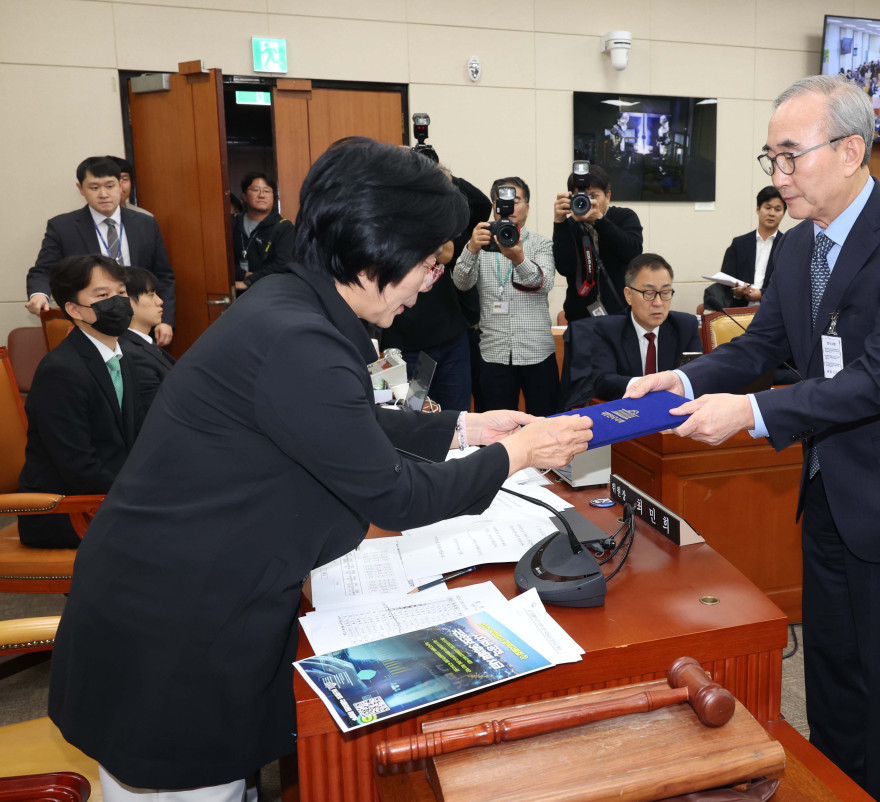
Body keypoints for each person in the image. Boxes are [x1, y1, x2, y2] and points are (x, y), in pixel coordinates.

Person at [47, 138, 593, 800]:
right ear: (375, 253)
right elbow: (394, 496)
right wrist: (515, 454)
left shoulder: (293, 304)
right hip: (174, 633)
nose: (427, 287)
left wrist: (466, 427)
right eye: (426, 265)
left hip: (191, 598)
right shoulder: (298, 336)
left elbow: (333, 421)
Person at [628, 74, 880, 802]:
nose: (778, 176)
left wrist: (753, 415)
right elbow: (758, 347)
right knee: (828, 670)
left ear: (850, 150)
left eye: (791, 157)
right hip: (827, 496)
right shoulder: (793, 250)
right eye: (771, 159)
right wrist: (688, 382)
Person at [18, 254, 143, 549]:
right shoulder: (60, 370)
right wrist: (141, 496)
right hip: (66, 510)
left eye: (121, 293)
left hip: (107, 498)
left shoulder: (121, 357)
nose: (118, 302)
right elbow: (77, 466)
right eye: (103, 295)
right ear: (73, 308)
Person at [26, 156, 176, 346]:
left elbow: (164, 275)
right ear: (81, 188)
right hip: (93, 322)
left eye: (110, 186)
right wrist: (39, 294)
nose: (103, 194)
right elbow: (43, 270)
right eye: (94, 188)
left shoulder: (145, 223)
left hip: (139, 322)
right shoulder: (63, 227)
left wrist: (165, 320)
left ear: (121, 185)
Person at [381, 159, 491, 414]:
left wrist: (445, 178)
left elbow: (480, 207)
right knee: (415, 415)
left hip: (450, 338)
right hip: (408, 345)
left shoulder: (439, 212)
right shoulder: (386, 214)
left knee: (456, 415)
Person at [453, 176, 559, 416]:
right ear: (494, 206)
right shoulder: (481, 240)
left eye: (517, 200)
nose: (510, 207)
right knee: (496, 430)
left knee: (545, 423)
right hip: (494, 352)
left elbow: (544, 283)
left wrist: (517, 258)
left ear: (527, 207)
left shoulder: (541, 244)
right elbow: (461, 283)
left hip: (537, 351)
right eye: (502, 201)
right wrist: (470, 249)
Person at [573, 253, 701, 402]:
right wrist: (648, 386)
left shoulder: (685, 326)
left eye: (665, 292)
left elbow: (697, 375)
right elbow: (603, 381)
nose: (658, 302)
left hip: (675, 411)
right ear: (628, 295)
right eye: (649, 293)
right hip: (628, 411)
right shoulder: (607, 330)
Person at [552, 162, 643, 321]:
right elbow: (564, 268)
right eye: (580, 195)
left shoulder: (624, 217)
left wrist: (600, 221)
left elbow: (633, 253)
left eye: (593, 195)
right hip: (580, 317)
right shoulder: (570, 225)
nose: (587, 201)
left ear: (608, 196)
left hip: (621, 314)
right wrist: (559, 223)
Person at [704, 186, 785, 311]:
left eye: (778, 209)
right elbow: (726, 279)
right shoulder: (739, 244)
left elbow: (788, 284)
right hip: (738, 309)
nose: (772, 213)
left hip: (773, 310)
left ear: (784, 213)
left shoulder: (787, 245)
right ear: (758, 209)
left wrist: (761, 294)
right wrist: (737, 292)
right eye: (767, 208)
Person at [118, 265, 174, 410]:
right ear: (127, 301)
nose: (160, 301)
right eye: (151, 295)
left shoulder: (142, 343)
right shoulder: (131, 354)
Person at [233, 172, 295, 288]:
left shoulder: (284, 227)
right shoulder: (232, 223)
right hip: (234, 291)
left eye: (266, 191)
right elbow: (220, 260)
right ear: (244, 196)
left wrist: (250, 281)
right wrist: (242, 274)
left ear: (273, 197)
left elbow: (283, 264)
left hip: (268, 291)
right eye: (255, 190)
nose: (261, 195)